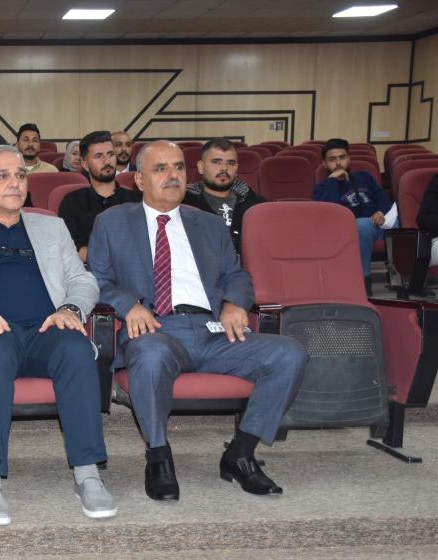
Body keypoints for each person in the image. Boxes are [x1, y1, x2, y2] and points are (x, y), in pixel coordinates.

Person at [89, 140, 307, 502]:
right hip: (156, 329)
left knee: (289, 353)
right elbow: (96, 279)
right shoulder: (112, 222)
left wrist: (235, 303)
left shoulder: (207, 223)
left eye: (178, 167)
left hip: (213, 330)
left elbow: (236, 275)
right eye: (160, 169)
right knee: (151, 354)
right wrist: (129, 306)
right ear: (139, 180)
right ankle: (159, 456)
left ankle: (241, 453)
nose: (173, 175)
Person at [0, 145, 112, 526]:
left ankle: (88, 474)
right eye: (2, 176)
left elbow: (83, 280)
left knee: (77, 349)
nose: (15, 183)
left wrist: (71, 309)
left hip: (47, 330)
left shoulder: (51, 228)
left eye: (20, 175)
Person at [312, 138, 393, 295]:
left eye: (342, 157)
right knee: (361, 225)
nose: (338, 163)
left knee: (403, 223)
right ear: (324, 164)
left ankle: (407, 281)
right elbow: (328, 211)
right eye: (332, 159)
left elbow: (383, 198)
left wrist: (380, 212)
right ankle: (364, 280)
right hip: (350, 232)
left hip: (379, 224)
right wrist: (333, 181)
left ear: (349, 159)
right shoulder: (321, 188)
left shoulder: (364, 177)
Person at [58, 130, 141, 261]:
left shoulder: (136, 201)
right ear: (85, 164)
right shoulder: (72, 202)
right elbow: (69, 249)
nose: (107, 161)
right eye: (98, 156)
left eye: (111, 154)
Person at [182, 138, 266, 256]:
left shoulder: (256, 205)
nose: (224, 168)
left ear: (236, 168)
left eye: (231, 163)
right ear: (201, 167)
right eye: (216, 162)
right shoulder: (184, 202)